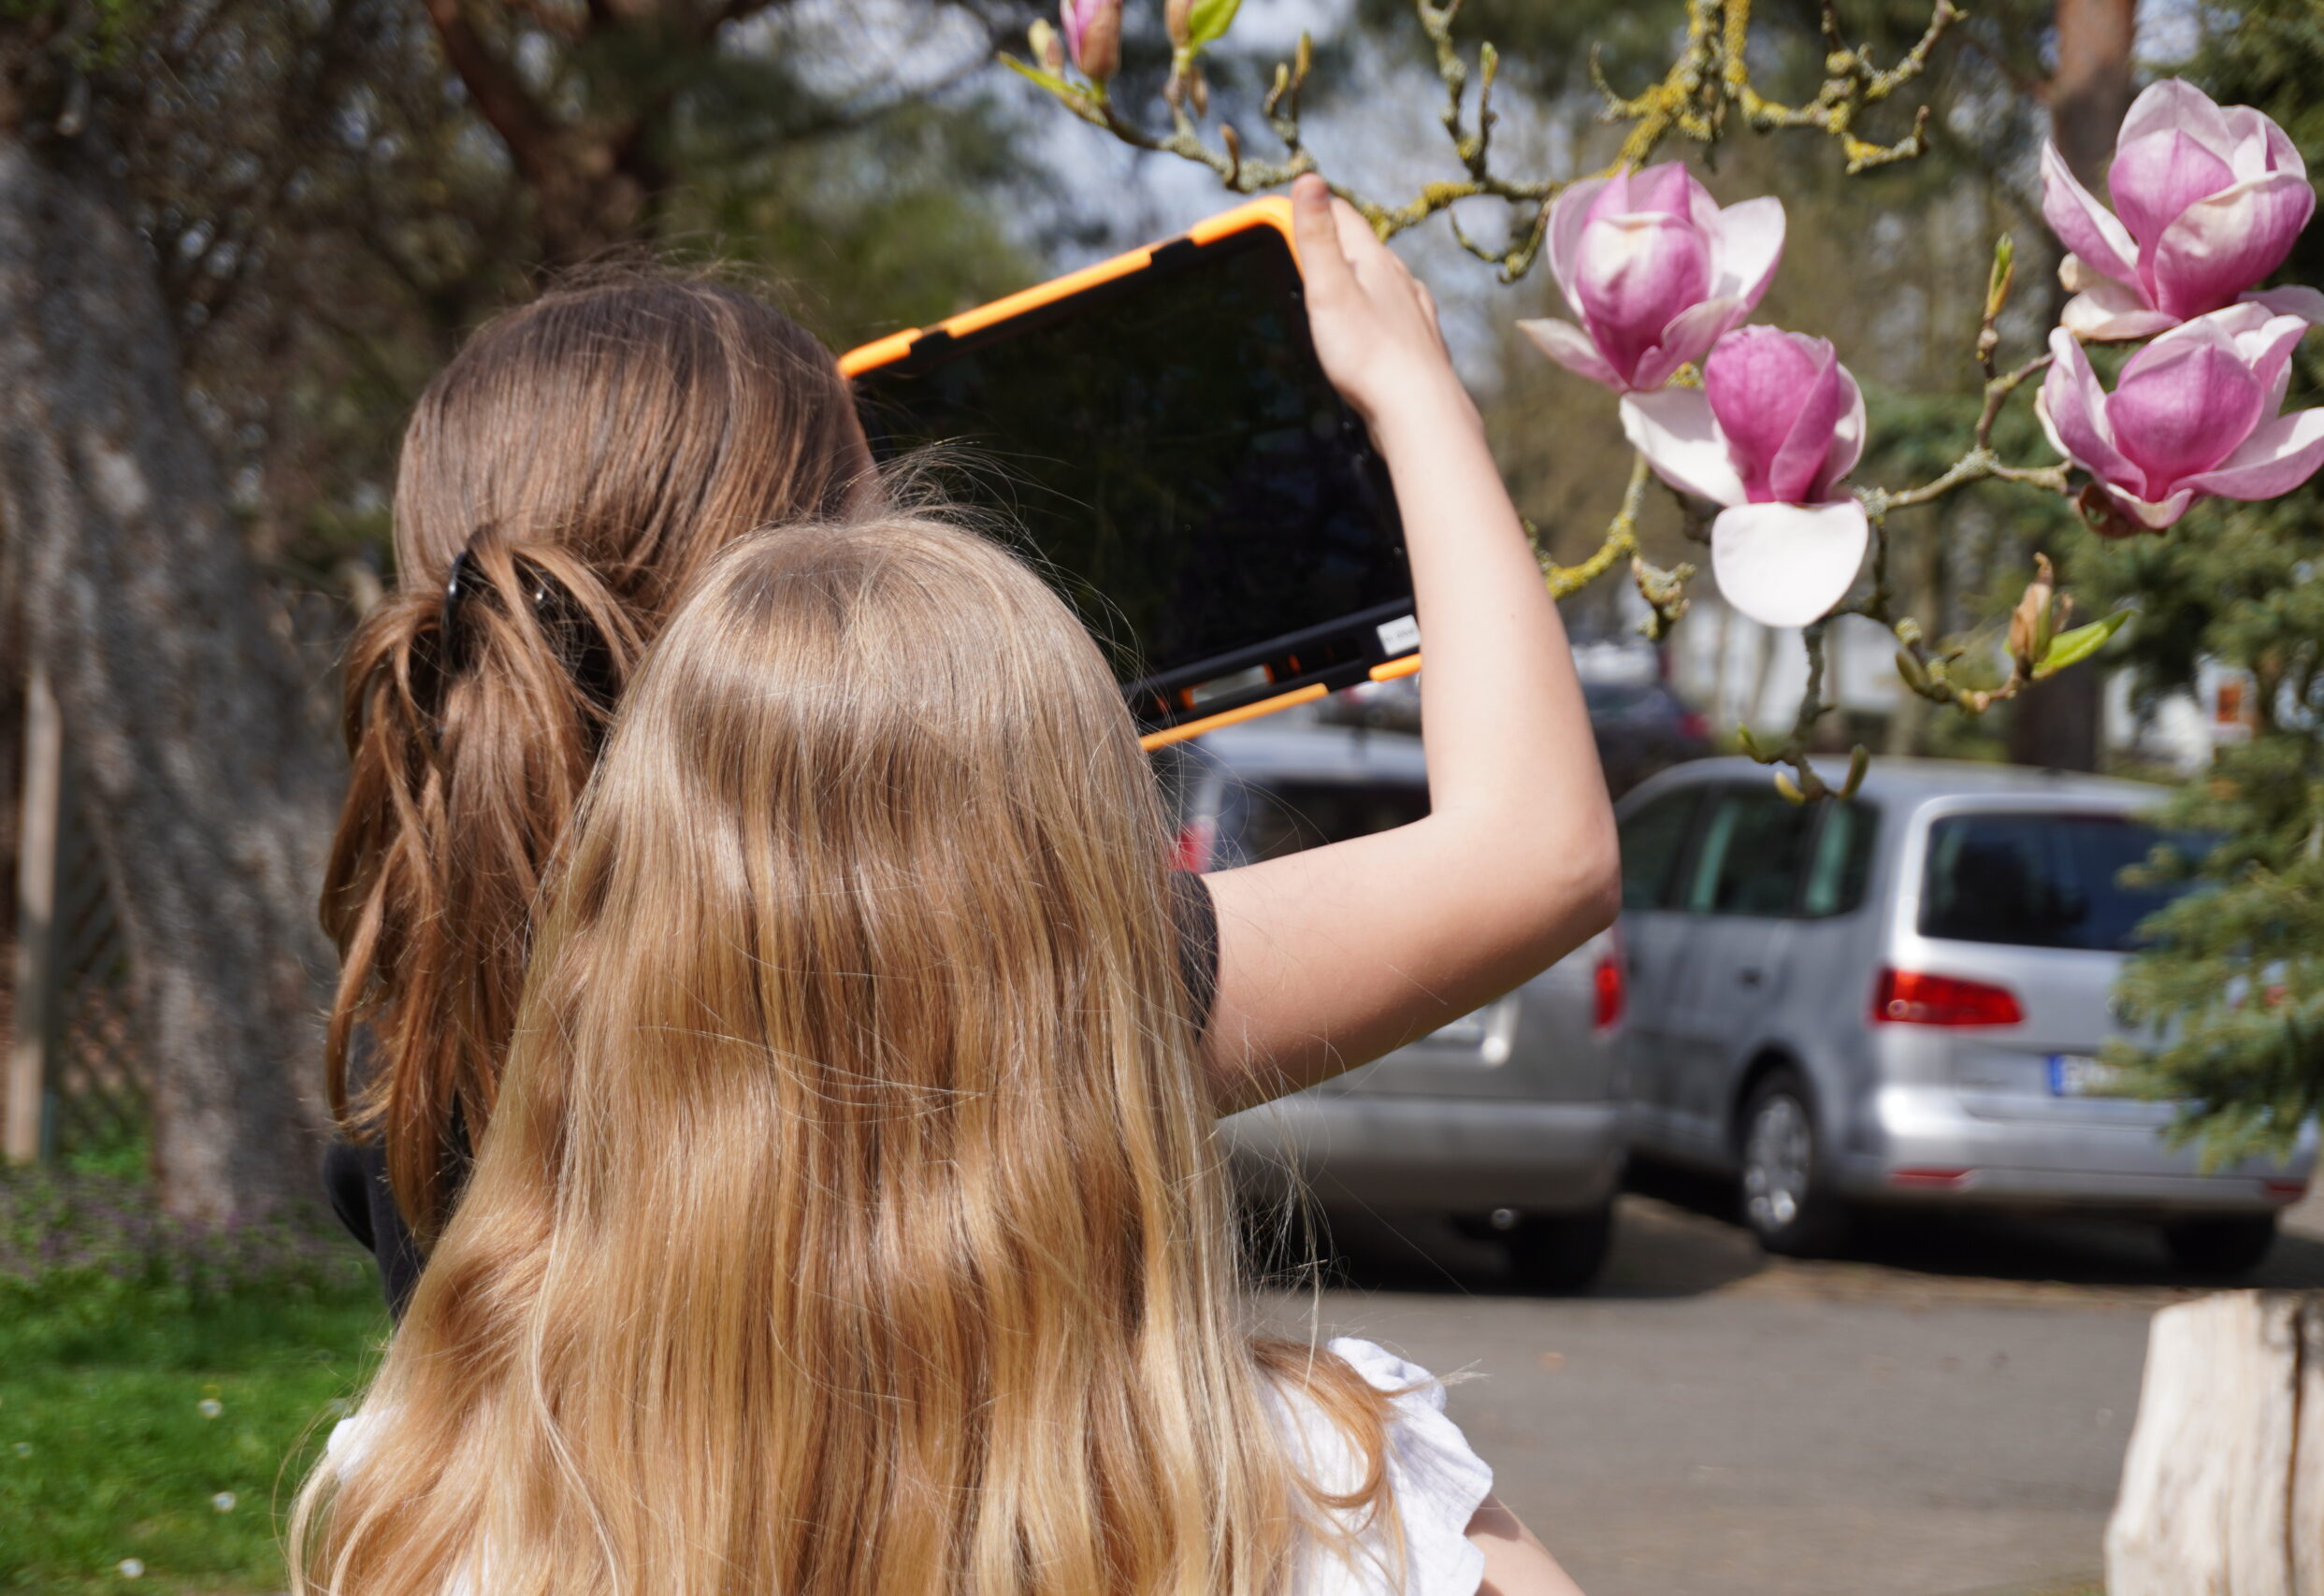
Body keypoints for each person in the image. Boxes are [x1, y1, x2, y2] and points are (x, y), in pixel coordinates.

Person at [320, 180, 1617, 1321]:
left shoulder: (416, 1077)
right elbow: (1537, 852)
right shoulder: (994, 984)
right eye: (897, 522)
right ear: (813, 616)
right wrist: (1414, 393)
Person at [293, 533, 1585, 1596]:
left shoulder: (430, 1503)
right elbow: (1543, 850)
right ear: (1124, 958)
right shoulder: (1338, 1498)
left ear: (619, 957)